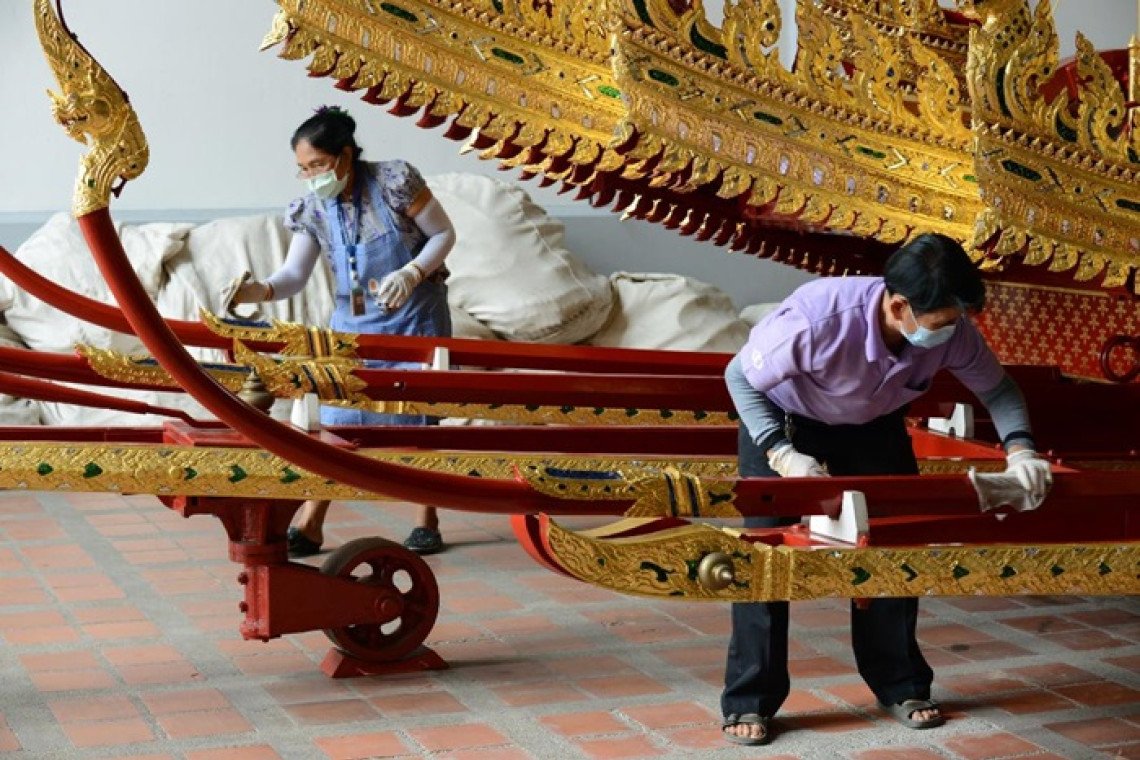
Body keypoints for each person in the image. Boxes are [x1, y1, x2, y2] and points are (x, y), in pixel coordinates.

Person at [719, 233, 1053, 746]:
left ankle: (901, 684)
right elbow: (739, 376)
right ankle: (750, 698)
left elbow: (998, 389)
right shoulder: (818, 319)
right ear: (898, 307)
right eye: (941, 322)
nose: (950, 331)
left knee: (895, 545)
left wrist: (1021, 449)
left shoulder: (952, 330)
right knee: (765, 557)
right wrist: (781, 454)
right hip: (785, 420)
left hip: (873, 424)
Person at [228, 105, 455, 557]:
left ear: (346, 155)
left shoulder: (394, 182)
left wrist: (412, 273)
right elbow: (294, 274)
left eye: (319, 164)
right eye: (304, 168)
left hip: (413, 319)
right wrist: (259, 290)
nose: (312, 176)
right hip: (351, 326)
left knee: (417, 418)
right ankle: (311, 524)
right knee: (337, 420)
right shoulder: (312, 207)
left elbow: (443, 235)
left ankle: (426, 520)